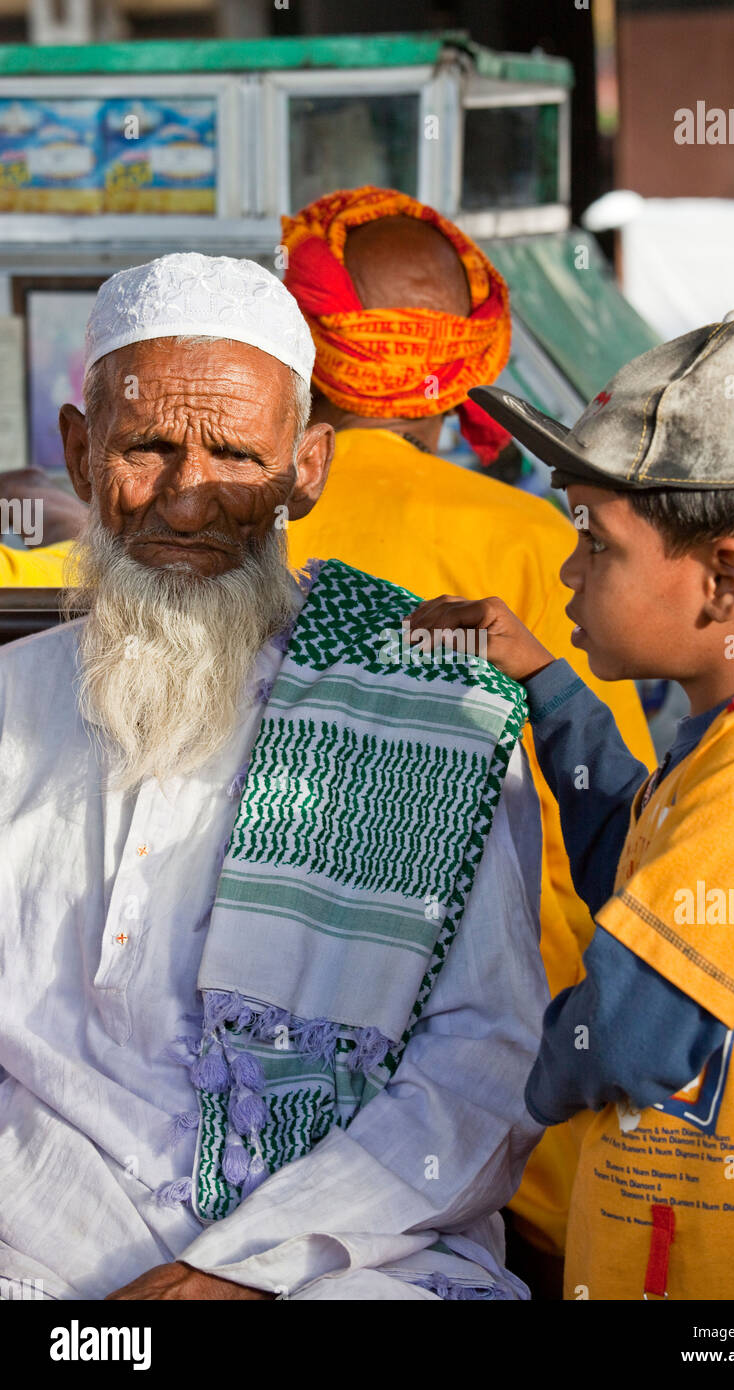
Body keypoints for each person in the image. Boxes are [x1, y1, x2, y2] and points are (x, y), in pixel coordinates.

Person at [0, 252, 550, 1302]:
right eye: (148, 447)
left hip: (353, 1252)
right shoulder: (8, 709)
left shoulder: (430, 713)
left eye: (235, 456)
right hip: (38, 1230)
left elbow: (484, 1060)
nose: (190, 501)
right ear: (78, 452)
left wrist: (238, 1272)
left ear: (307, 467)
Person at [408, 309, 734, 1299]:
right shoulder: (731, 742)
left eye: (595, 545)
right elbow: (627, 849)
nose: (566, 570)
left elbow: (631, 1029)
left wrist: (475, 1081)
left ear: (720, 581)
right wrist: (537, 676)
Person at [280, 186, 656, 1279]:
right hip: (506, 1111)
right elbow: (610, 829)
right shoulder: (540, 541)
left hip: (267, 1076)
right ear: (464, 361)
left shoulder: (228, 522)